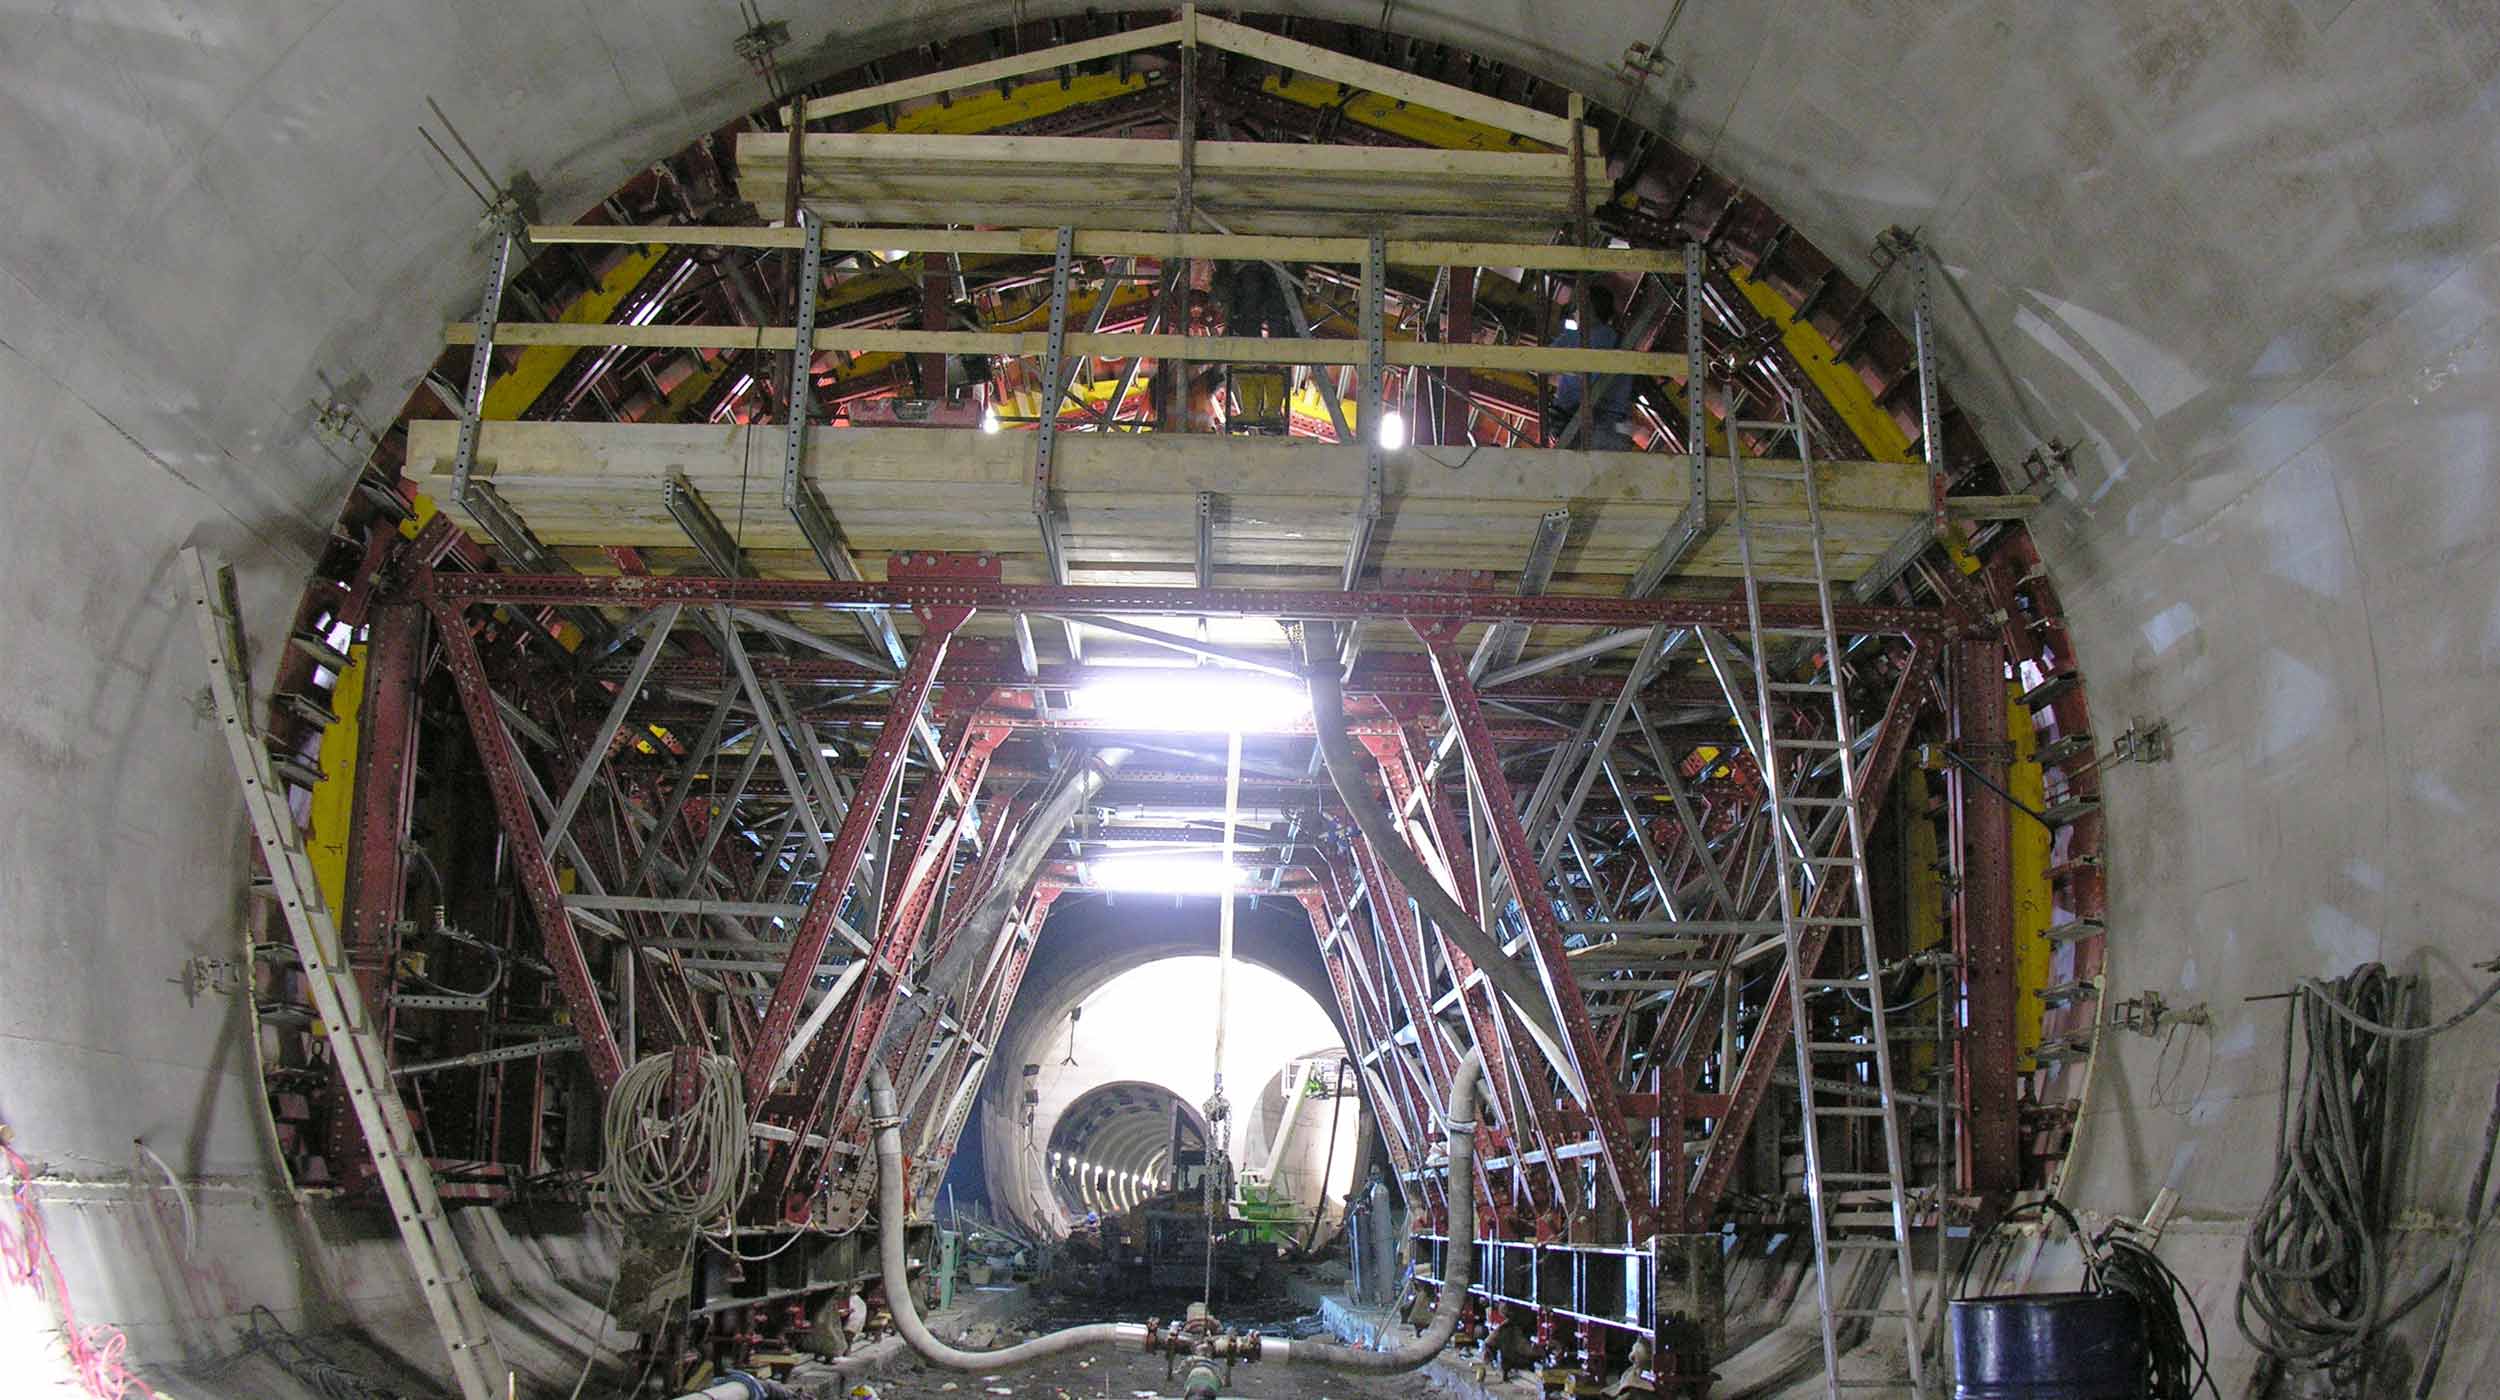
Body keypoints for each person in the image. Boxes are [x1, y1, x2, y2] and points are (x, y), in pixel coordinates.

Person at [1549, 281, 1636, 450]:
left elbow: (1537, 362)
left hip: (1578, 426)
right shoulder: (1620, 342)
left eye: (1576, 308)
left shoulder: (1576, 338)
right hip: (1613, 432)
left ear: (1587, 308)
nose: (1574, 313)